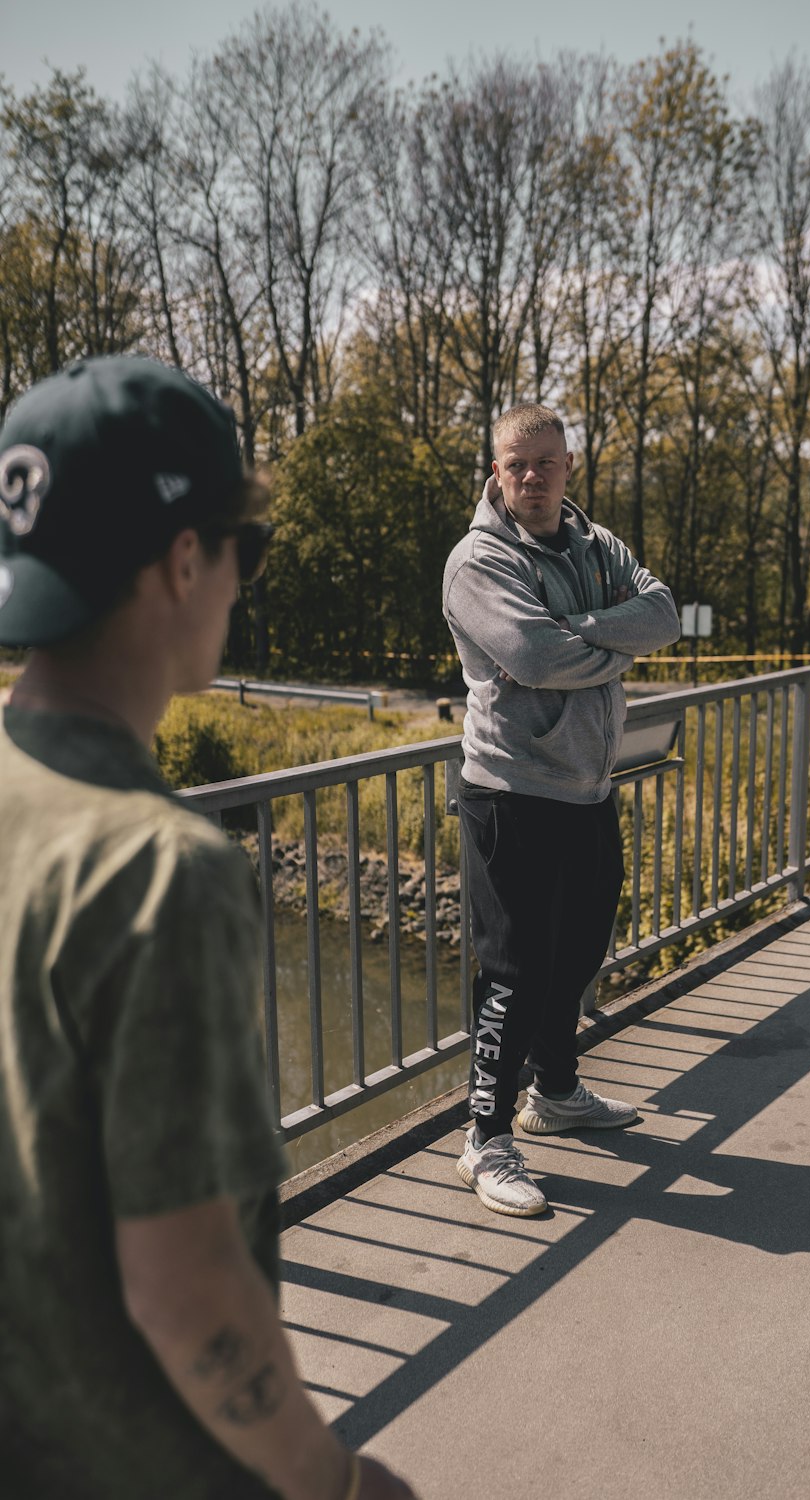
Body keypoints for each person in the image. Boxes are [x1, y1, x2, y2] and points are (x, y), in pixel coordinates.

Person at [0, 355, 417, 1500]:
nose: (243, 581)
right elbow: (182, 1282)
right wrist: (331, 1481)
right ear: (185, 562)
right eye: (247, 547)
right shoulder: (156, 870)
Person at [442, 403, 680, 1217]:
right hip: (510, 792)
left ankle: (555, 1093)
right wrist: (599, 646)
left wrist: (576, 631)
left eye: (547, 462)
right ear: (497, 473)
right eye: (518, 465)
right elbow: (534, 658)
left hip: (587, 787)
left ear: (569, 464)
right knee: (515, 970)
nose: (534, 477)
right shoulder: (477, 562)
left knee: (578, 952)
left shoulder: (593, 542)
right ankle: (485, 1138)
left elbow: (663, 614)